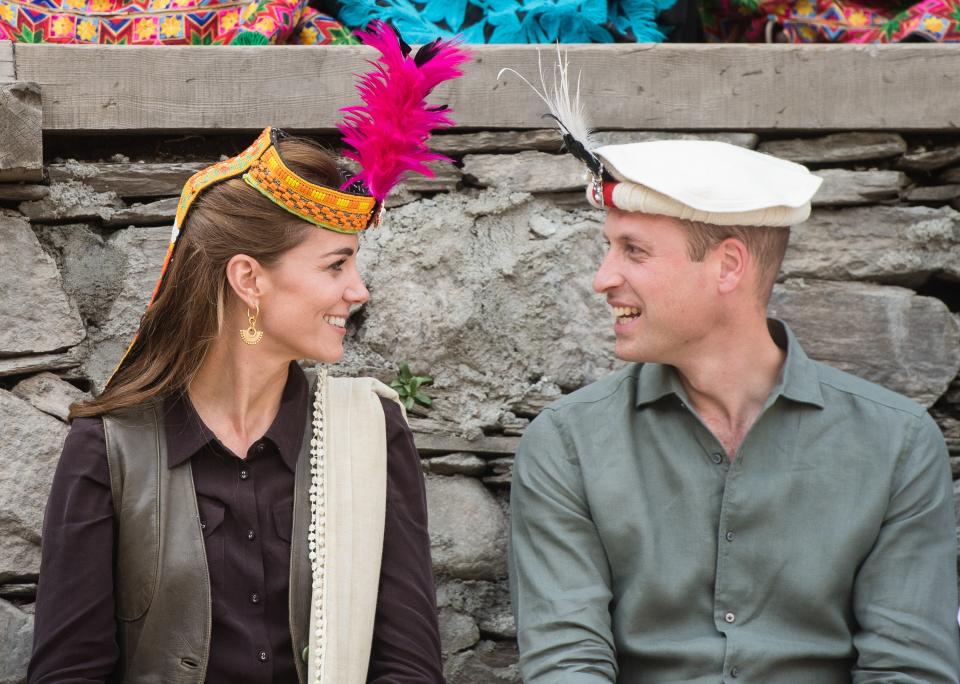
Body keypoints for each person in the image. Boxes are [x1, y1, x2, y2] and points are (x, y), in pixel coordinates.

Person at [29, 24, 468, 684]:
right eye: (335, 265)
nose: (358, 290)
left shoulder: (372, 434)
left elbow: (408, 666)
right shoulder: (108, 449)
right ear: (248, 280)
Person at [504, 68, 960, 682]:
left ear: (727, 266)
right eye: (608, 250)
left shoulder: (897, 444)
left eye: (633, 251)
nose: (603, 278)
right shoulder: (566, 445)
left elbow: (908, 669)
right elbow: (567, 666)